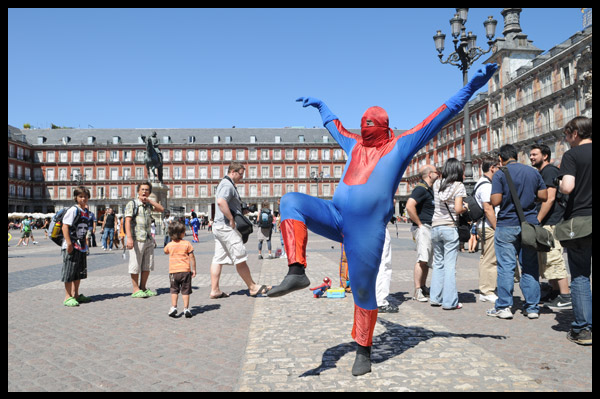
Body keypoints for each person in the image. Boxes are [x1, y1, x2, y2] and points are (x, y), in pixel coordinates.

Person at [267, 63, 498, 376]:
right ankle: (296, 270)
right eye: (363, 124)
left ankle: (363, 350)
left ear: (383, 127)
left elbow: (443, 113)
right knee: (290, 201)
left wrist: (472, 86)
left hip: (366, 233)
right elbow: (334, 125)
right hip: (336, 217)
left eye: (370, 125)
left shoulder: (400, 146)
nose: (365, 129)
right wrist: (321, 106)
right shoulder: (354, 144)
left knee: (363, 292)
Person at [487, 144, 547, 320]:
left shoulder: (500, 174)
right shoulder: (533, 172)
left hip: (507, 224)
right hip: (529, 224)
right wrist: (528, 196)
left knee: (506, 267)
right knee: (530, 266)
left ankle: (504, 307)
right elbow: (544, 196)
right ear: (517, 155)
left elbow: (496, 201)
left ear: (500, 158)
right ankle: (532, 307)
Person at [210, 162, 271, 299]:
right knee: (240, 255)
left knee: (218, 258)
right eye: (241, 174)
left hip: (218, 226)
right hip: (226, 227)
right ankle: (252, 287)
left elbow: (227, 204)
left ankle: (215, 290)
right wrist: (231, 219)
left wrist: (243, 210)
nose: (242, 177)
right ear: (233, 172)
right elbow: (220, 201)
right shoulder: (227, 185)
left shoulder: (226, 184)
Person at [558, 116, 592, 345]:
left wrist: (560, 183)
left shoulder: (572, 155)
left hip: (581, 220)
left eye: (567, 135)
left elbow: (568, 187)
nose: (566, 139)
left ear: (575, 133)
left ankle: (583, 329)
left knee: (580, 275)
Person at [529, 144, 571, 310]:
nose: (531, 157)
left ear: (545, 155)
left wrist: (538, 219)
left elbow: (550, 198)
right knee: (547, 260)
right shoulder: (542, 172)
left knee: (554, 259)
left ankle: (566, 295)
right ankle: (555, 293)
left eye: (534, 154)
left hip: (551, 222)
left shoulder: (550, 171)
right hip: (547, 222)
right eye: (530, 155)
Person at [429, 158, 467, 310]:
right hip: (450, 228)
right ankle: (449, 302)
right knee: (450, 265)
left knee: (438, 263)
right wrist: (465, 207)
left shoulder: (437, 184)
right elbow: (458, 209)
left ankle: (435, 297)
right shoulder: (459, 186)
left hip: (435, 227)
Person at [125, 181, 165, 298]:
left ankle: (143, 287)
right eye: (142, 189)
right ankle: (135, 289)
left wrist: (150, 200)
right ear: (138, 191)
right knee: (135, 264)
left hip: (148, 239)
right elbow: (127, 221)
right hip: (137, 238)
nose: (144, 191)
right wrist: (129, 238)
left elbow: (161, 209)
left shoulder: (148, 205)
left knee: (147, 265)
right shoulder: (132, 204)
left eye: (147, 190)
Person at [405, 164, 438, 302]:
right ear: (430, 174)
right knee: (422, 258)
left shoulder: (428, 189)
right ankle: (417, 290)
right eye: (437, 172)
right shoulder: (420, 189)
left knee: (426, 260)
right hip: (423, 227)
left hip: (427, 227)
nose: (439, 174)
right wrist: (419, 224)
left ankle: (423, 287)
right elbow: (409, 205)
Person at [61, 186, 93, 307]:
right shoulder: (73, 210)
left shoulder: (86, 211)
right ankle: (67, 296)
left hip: (81, 246)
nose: (83, 198)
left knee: (79, 272)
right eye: (80, 196)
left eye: (85, 196)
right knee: (69, 271)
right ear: (76, 197)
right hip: (71, 245)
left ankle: (76, 294)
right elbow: (65, 226)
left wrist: (86, 242)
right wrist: (69, 243)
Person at [474, 158, 499, 303]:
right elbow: (488, 208)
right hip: (489, 226)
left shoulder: (483, 183)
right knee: (490, 259)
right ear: (492, 168)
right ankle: (486, 290)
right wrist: (497, 227)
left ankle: (487, 288)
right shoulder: (486, 186)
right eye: (498, 168)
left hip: (485, 225)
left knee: (485, 258)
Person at [164, 221, 196, 318]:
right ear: (181, 233)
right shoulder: (187, 244)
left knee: (174, 290)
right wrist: (193, 269)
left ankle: (174, 307)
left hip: (173, 272)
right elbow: (192, 257)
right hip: (185, 271)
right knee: (185, 290)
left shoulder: (170, 245)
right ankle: (186, 308)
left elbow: (165, 251)